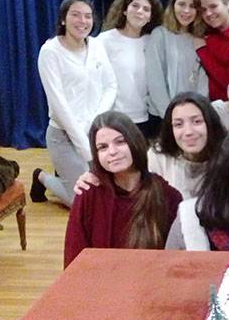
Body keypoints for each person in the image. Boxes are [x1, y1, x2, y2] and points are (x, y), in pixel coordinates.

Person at [64, 111, 182, 268]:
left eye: (120, 142)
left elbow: (176, 260)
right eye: (102, 147)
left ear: (134, 142)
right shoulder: (89, 192)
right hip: (100, 281)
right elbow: (73, 257)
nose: (112, 152)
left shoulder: (167, 196)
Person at [31, 0, 117, 207]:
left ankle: (67, 173)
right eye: (75, 15)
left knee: (108, 194)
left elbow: (110, 85)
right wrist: (87, 152)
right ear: (63, 19)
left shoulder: (96, 46)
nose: (82, 21)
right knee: (82, 202)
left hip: (95, 131)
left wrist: (94, 121)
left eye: (88, 16)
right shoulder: (50, 52)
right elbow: (58, 105)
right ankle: (41, 177)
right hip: (63, 135)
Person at [74, 92, 227, 201]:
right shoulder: (158, 156)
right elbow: (129, 179)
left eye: (197, 122)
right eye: (178, 124)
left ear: (210, 123)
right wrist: (94, 176)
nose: (188, 132)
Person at [99, 0, 164, 137]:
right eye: (135, 6)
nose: (140, 11)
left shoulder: (152, 41)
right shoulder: (105, 40)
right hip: (113, 118)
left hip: (145, 118)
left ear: (150, 17)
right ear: (124, 10)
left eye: (146, 9)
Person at [145, 0, 209, 120]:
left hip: (192, 114)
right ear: (173, 6)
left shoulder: (200, 39)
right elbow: (155, 79)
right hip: (163, 115)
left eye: (192, 6)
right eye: (181, 4)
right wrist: (170, 116)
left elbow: (203, 81)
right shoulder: (160, 35)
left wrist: (198, 110)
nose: (186, 11)